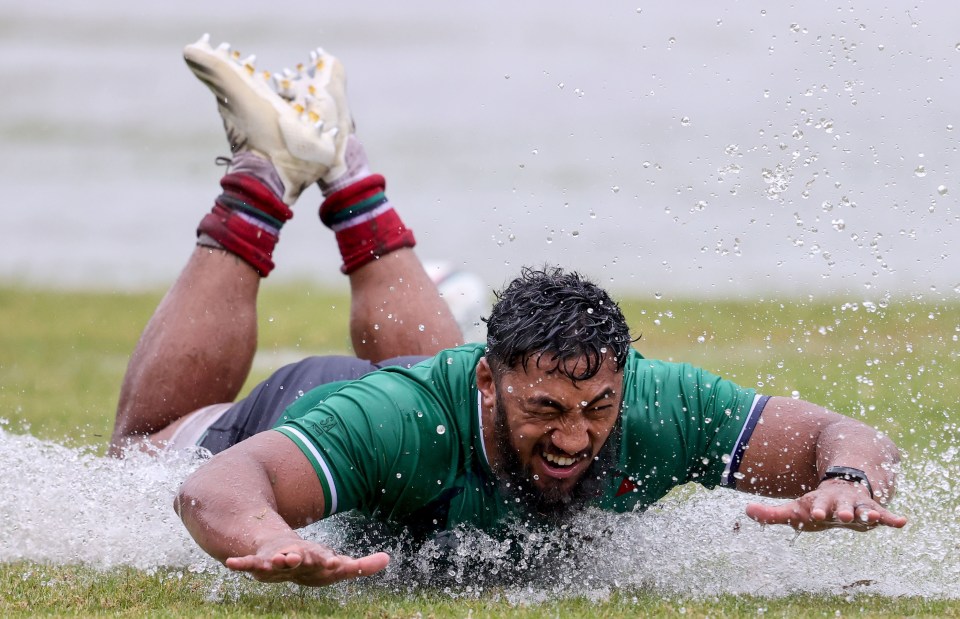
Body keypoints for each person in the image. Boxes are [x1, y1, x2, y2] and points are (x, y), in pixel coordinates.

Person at [110, 35, 908, 588]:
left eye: (597, 408)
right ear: (488, 381)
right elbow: (214, 487)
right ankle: (260, 178)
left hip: (421, 395)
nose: (574, 436)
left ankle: (343, 161)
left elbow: (848, 436)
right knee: (139, 451)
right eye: (548, 410)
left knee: (428, 392)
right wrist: (274, 538)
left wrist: (847, 479)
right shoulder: (395, 421)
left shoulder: (657, 404)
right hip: (321, 400)